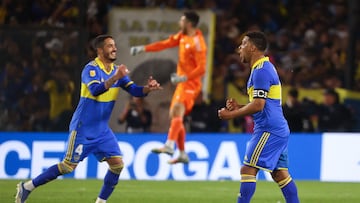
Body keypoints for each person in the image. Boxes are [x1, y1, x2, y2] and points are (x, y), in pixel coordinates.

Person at [15, 34, 162, 203]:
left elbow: (134, 90)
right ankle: (27, 187)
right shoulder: (91, 69)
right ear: (99, 50)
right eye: (109, 46)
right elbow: (95, 90)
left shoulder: (116, 70)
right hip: (83, 128)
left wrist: (147, 89)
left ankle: (100, 202)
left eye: (114, 45)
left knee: (117, 165)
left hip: (102, 130)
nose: (114, 48)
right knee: (67, 166)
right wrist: (116, 77)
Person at [218, 31, 299, 203]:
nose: (240, 47)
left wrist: (231, 114)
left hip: (269, 130)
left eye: (243, 43)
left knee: (247, 169)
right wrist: (239, 107)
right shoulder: (262, 68)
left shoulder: (261, 70)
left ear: (253, 47)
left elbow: (258, 105)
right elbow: (262, 103)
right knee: (280, 175)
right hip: (277, 129)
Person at [130, 11, 207, 164]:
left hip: (191, 85)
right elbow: (165, 44)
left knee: (177, 112)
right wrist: (143, 48)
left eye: (182, 20)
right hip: (182, 84)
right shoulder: (182, 36)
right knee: (175, 117)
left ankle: (169, 145)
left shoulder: (198, 43)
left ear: (189, 23)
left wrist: (184, 77)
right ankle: (183, 153)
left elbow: (201, 68)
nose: (180, 23)